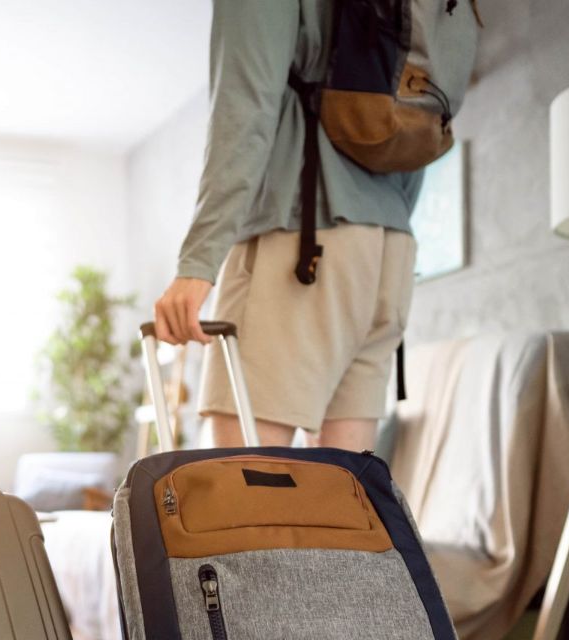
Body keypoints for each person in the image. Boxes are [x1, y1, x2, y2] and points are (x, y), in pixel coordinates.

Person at [152, 0, 424, 454]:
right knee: (342, 500)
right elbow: (419, 127)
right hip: (388, 254)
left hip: (302, 241)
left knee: (243, 498)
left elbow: (244, 111)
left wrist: (198, 262)